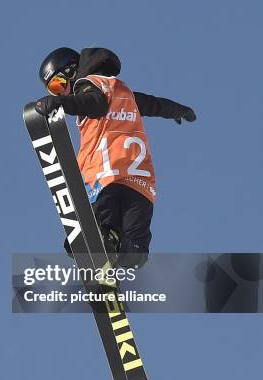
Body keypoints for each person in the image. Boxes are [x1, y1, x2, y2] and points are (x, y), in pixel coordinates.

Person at [35, 47, 196, 267]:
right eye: (54, 91)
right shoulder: (122, 91)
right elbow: (151, 104)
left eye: (59, 85)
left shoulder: (88, 85)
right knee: (135, 252)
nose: (61, 92)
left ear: (72, 71)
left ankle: (100, 242)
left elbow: (94, 104)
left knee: (98, 228)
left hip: (106, 177)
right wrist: (177, 110)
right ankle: (117, 261)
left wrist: (60, 104)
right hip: (140, 184)